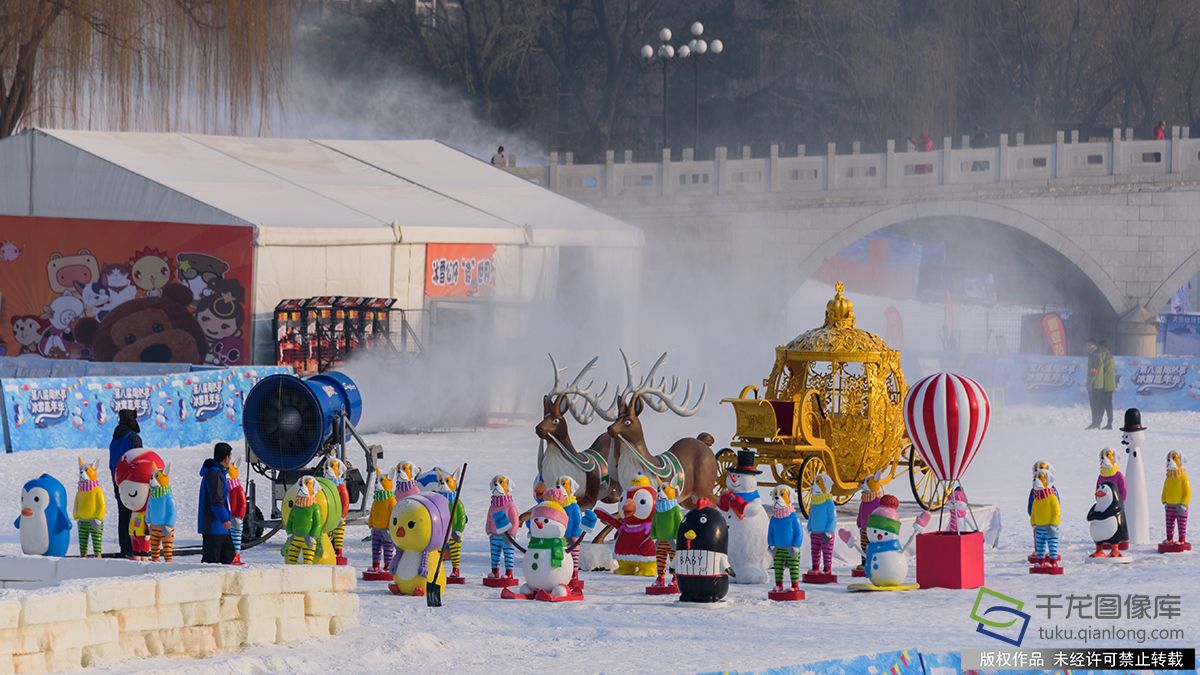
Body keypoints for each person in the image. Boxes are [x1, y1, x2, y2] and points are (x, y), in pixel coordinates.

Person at [108, 409, 142, 557]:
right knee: (136, 515)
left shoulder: (115, 439)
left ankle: (125, 549)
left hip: (118, 481)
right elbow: (139, 460)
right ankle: (137, 548)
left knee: (123, 515)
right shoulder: (132, 437)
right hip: (133, 482)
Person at [198, 442, 234, 564]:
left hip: (220, 527)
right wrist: (224, 519)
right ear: (226, 457)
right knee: (212, 561)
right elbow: (217, 499)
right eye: (230, 456)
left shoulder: (219, 473)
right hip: (214, 526)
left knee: (228, 555)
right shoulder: (214, 474)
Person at [1098, 340, 1117, 429]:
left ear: (1104, 347)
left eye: (1100, 347)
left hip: (1107, 385)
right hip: (1109, 385)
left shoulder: (1107, 357)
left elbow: (1102, 370)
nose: (1100, 349)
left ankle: (1105, 423)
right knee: (1106, 405)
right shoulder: (1109, 356)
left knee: (1104, 405)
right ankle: (1106, 423)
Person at [1086, 338, 1102, 430]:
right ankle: (1096, 422)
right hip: (1094, 382)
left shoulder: (1095, 354)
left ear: (1093, 345)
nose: (1087, 347)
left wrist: (1091, 381)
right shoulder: (1093, 354)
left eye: (1089, 345)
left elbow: (1095, 369)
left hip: (1095, 383)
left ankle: (1096, 423)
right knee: (1094, 404)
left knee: (1094, 403)